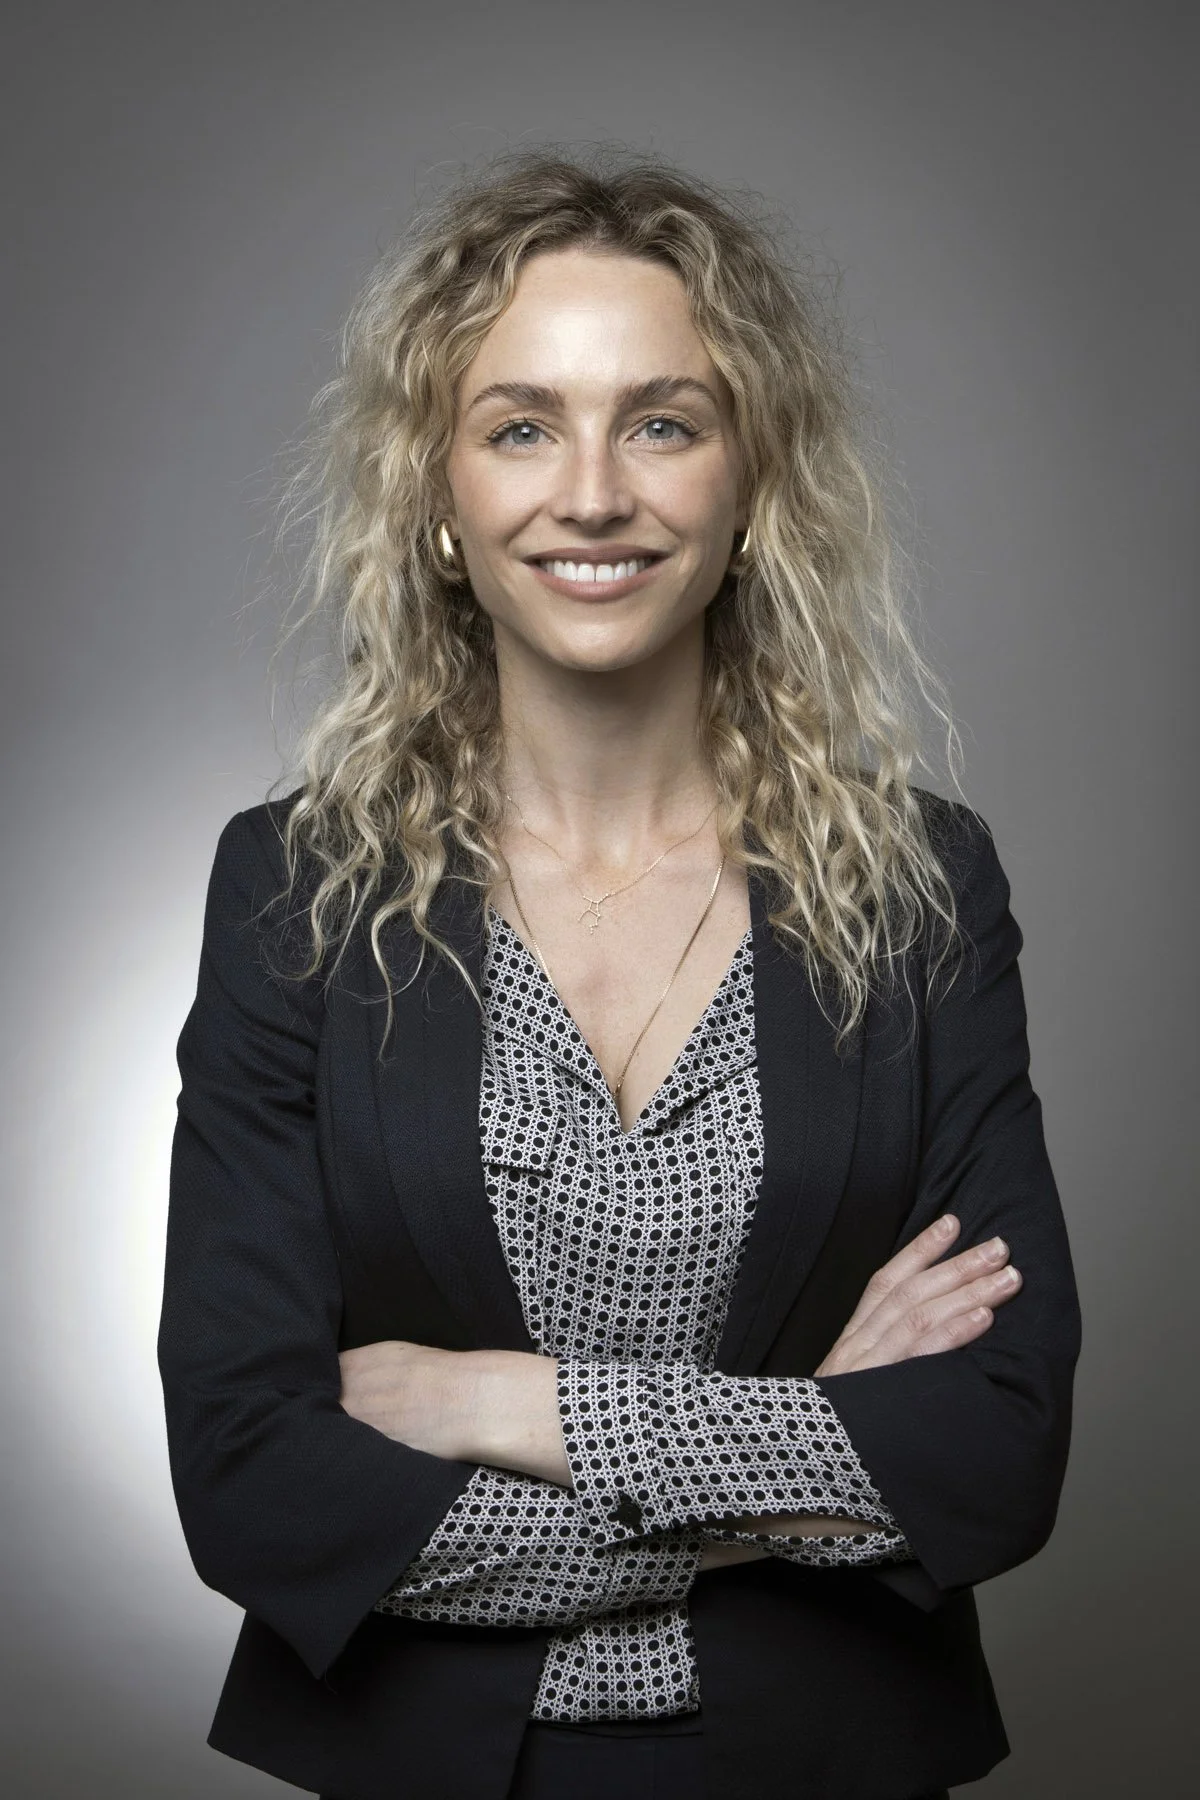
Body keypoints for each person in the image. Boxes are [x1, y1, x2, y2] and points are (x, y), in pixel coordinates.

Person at [157, 149, 1081, 1800]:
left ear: (749, 482)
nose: (593, 492)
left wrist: (514, 1403)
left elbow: (995, 1449)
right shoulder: (295, 893)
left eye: (662, 420)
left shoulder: (924, 885)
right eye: (521, 425)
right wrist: (794, 1460)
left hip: (834, 1763)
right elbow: (252, 1480)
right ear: (438, 500)